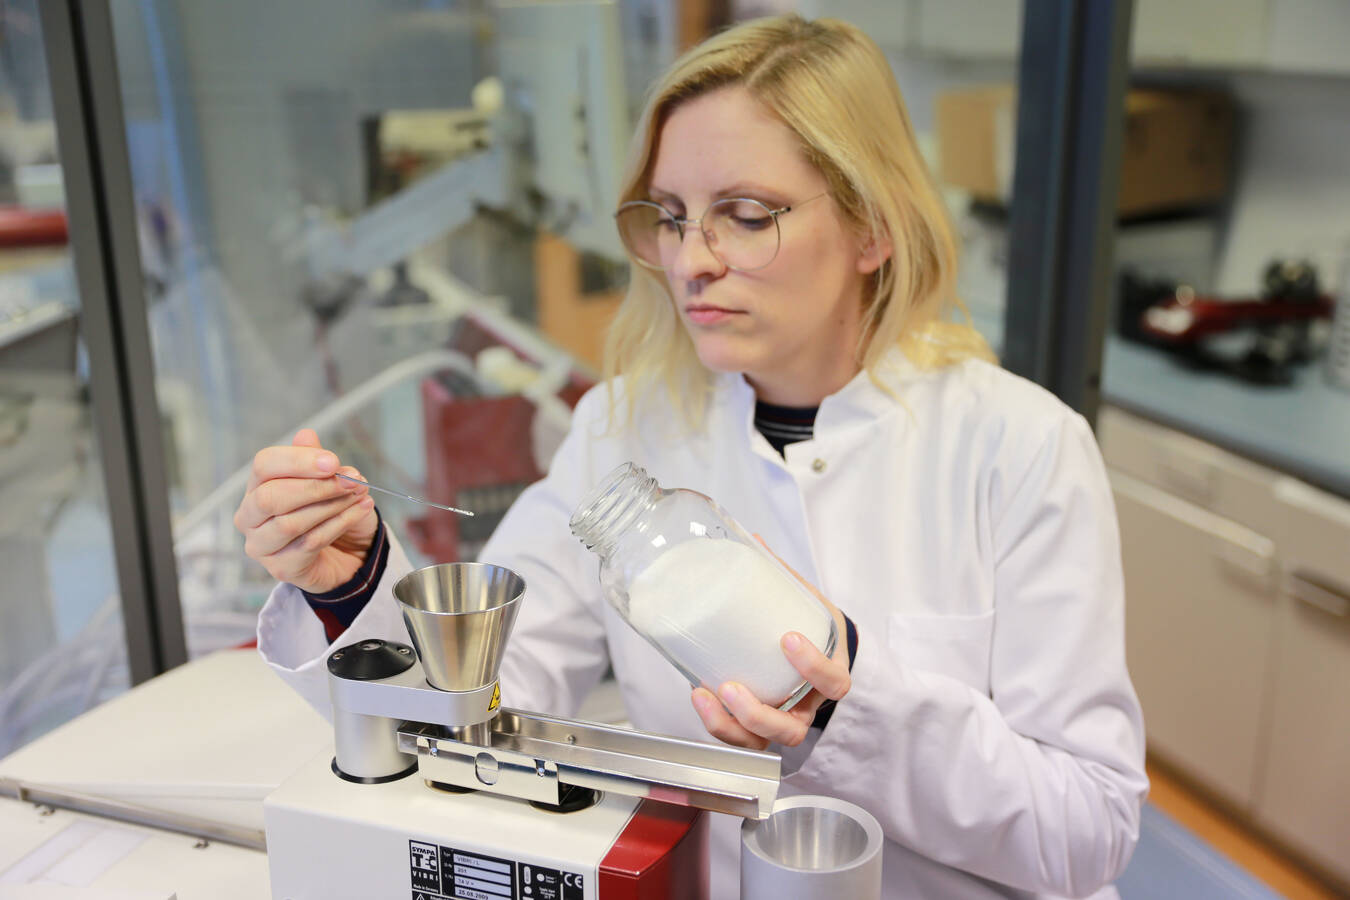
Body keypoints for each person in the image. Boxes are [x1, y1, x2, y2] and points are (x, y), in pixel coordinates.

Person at [239, 14, 1148, 899]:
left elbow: (1087, 829)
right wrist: (353, 588)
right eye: (672, 217)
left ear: (872, 228)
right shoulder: (623, 431)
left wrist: (850, 708)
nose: (690, 261)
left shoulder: (1019, 447)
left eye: (745, 216)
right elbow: (475, 713)